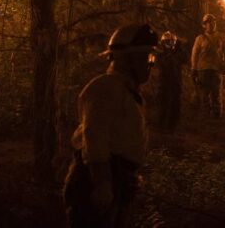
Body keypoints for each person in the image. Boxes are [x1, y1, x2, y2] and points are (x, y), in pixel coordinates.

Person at [63, 24, 158, 228]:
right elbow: (94, 137)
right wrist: (102, 184)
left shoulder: (125, 91)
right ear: (126, 59)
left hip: (116, 179)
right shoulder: (105, 88)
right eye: (147, 57)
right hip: (95, 181)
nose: (151, 64)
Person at [191, 14, 225, 119]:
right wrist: (194, 68)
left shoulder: (222, 37)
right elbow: (194, 54)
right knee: (204, 94)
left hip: (216, 70)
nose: (212, 24)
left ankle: (216, 116)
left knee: (216, 93)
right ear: (204, 25)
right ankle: (206, 115)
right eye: (209, 22)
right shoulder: (200, 39)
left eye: (213, 22)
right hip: (203, 70)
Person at [155, 31, 187, 132]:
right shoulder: (160, 54)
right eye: (167, 42)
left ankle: (173, 125)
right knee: (163, 102)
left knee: (175, 103)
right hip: (163, 82)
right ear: (163, 42)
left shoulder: (178, 54)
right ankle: (161, 124)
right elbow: (156, 64)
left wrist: (179, 48)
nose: (169, 44)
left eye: (172, 41)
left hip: (175, 82)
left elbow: (185, 58)